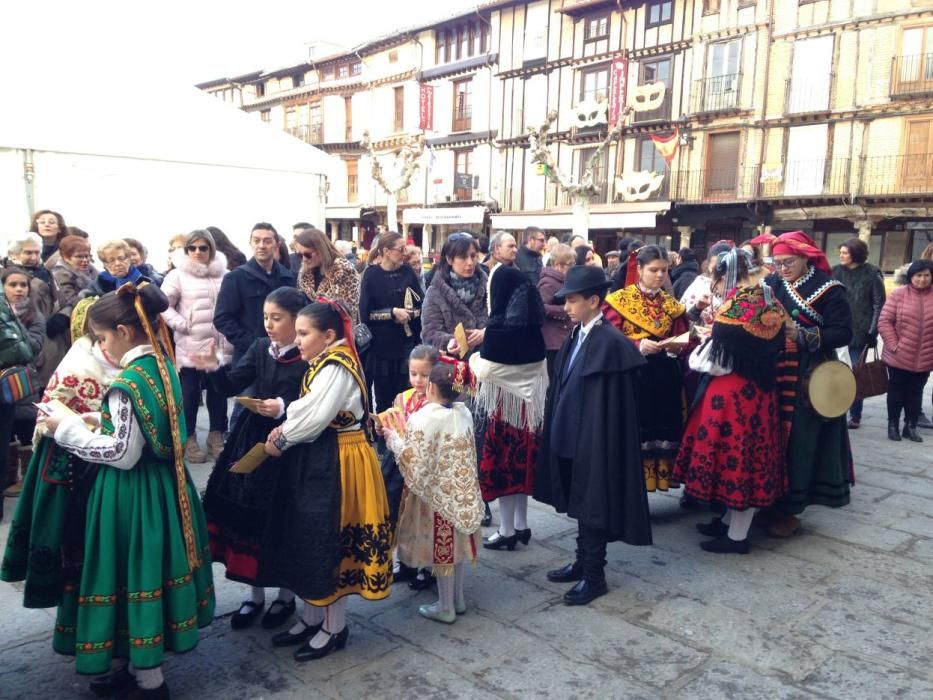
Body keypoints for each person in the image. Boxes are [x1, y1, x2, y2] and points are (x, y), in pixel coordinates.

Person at [41, 283, 215, 698]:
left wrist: (65, 429)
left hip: (131, 495)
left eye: (101, 338)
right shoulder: (163, 365)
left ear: (123, 331)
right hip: (165, 489)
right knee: (148, 573)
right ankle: (135, 668)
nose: (101, 347)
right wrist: (91, 423)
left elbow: (121, 452)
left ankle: (149, 680)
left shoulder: (127, 383)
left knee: (130, 573)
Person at [261, 301, 391, 662]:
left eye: (304, 334)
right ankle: (312, 616)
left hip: (341, 457)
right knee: (313, 534)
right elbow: (308, 410)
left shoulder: (336, 366)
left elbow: (316, 414)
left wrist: (283, 438)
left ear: (328, 336)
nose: (298, 340)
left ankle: (334, 627)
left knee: (331, 536)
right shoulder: (324, 362)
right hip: (325, 455)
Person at [192, 287, 309, 631]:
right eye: (265, 318)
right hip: (251, 435)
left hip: (288, 441)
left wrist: (283, 405)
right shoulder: (260, 347)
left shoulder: (307, 354)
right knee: (243, 517)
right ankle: (253, 595)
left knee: (281, 518)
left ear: (296, 320)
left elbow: (311, 398)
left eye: (277, 318)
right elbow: (231, 385)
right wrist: (213, 368)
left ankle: (285, 596)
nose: (269, 325)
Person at [534, 265, 651, 605]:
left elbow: (614, 405)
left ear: (593, 301)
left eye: (571, 301)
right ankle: (582, 561)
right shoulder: (578, 332)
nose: (565, 308)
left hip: (595, 441)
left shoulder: (610, 342)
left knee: (593, 503)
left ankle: (594, 575)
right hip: (572, 434)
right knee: (580, 500)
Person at [2, 298, 122, 608]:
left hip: (108, 459)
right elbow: (55, 410)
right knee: (75, 538)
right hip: (71, 464)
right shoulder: (79, 361)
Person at [672, 250, 789, 554]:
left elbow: (722, 345)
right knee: (745, 458)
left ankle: (737, 537)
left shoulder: (738, 304)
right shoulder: (769, 298)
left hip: (734, 393)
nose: (715, 282)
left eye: (717, 275)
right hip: (759, 392)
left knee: (738, 461)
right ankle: (727, 523)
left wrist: (712, 335)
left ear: (727, 274)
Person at [764, 230, 854, 538]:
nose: (782, 268)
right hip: (772, 370)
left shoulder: (829, 289)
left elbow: (843, 333)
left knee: (799, 440)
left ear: (806, 257)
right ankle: (764, 499)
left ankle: (790, 507)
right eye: (776, 263)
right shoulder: (771, 284)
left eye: (788, 262)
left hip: (808, 374)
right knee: (768, 435)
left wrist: (803, 335)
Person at [383, 357, 485, 624]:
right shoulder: (463, 412)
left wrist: (392, 438)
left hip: (439, 498)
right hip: (464, 496)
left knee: (444, 554)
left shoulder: (425, 417)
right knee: (459, 552)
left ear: (430, 388)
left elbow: (413, 459)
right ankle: (458, 600)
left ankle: (445, 607)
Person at [470, 266, 549, 551]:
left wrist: (472, 359)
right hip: (530, 413)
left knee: (504, 467)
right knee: (523, 466)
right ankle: (521, 524)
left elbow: (487, 371)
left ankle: (505, 530)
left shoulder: (498, 332)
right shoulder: (534, 330)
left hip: (505, 412)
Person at [603, 246, 692, 492]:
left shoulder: (671, 305)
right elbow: (608, 337)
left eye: (664, 270)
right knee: (634, 430)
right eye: (653, 270)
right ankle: (630, 489)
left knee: (662, 428)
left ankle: (658, 481)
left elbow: (683, 336)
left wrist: (677, 346)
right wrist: (637, 344)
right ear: (639, 269)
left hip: (664, 374)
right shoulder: (619, 301)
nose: (659, 275)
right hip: (634, 373)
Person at [160, 230, 233, 462]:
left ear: (211, 249)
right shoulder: (177, 275)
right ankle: (189, 437)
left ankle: (216, 435)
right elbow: (163, 305)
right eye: (193, 248)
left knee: (218, 393)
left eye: (203, 248)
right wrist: (182, 324)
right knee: (190, 395)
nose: (198, 252)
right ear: (186, 250)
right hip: (190, 345)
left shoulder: (226, 274)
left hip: (218, 345)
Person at [375, 344, 437, 587]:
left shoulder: (437, 400)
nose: (418, 380)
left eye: (425, 375)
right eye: (413, 374)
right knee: (402, 517)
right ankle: (407, 562)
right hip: (400, 466)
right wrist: (383, 425)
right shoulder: (403, 397)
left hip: (425, 467)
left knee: (424, 518)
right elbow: (393, 418)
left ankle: (429, 565)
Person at [214, 223, 296, 366]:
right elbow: (222, 318)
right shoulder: (235, 278)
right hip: (249, 358)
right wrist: (252, 343)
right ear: (250, 244)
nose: (261, 245)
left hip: (286, 356)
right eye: (256, 241)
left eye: (267, 241)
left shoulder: (289, 277)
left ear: (277, 245)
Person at [359, 232, 424, 412]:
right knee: (384, 400)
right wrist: (391, 313)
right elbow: (364, 313)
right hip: (381, 348)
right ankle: (383, 437)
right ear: (386, 251)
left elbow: (421, 304)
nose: (404, 253)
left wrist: (410, 314)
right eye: (400, 249)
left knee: (407, 397)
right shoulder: (371, 275)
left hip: (406, 343)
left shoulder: (407, 272)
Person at [1, 268, 46, 497]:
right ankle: (9, 478)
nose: (19, 289)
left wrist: (13, 329)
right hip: (4, 382)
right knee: (7, 435)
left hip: (23, 380)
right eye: (12, 284)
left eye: (23, 285)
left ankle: (27, 481)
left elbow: (33, 347)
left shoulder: (34, 314)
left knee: (26, 429)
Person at [832, 238, 885, 429]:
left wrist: (872, 331)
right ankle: (836, 408)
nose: (841, 256)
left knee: (855, 372)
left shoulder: (872, 274)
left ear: (855, 253)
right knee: (836, 371)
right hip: (838, 329)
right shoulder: (835, 271)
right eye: (841, 252)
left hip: (860, 331)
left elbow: (878, 304)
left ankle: (855, 414)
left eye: (845, 252)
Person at [878, 260, 933, 443]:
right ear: (911, 277)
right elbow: (885, 321)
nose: (922, 279)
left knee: (915, 392)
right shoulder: (899, 295)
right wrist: (894, 345)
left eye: (926, 275)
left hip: (925, 356)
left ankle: (910, 426)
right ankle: (892, 425)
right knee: (896, 391)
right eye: (918, 275)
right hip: (899, 355)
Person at [421, 233, 489, 356]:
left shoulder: (489, 286)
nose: (470, 262)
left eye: (473, 256)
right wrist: (449, 342)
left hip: (485, 363)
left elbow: (502, 322)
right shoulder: (436, 292)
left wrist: (486, 333)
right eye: (463, 257)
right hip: (453, 367)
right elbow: (430, 333)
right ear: (449, 259)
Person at [294, 227, 361, 324]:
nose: (304, 259)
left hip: (337, 332)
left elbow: (347, 311)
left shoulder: (344, 270)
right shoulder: (304, 273)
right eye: (300, 255)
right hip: (310, 330)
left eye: (307, 254)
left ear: (320, 250)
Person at [538, 244, 575, 379]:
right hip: (552, 342)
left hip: (560, 338)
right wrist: (566, 309)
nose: (573, 268)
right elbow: (540, 307)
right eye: (570, 265)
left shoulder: (561, 280)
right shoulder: (549, 282)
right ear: (558, 265)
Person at [50, 235, 95, 330]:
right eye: (79, 256)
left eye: (86, 256)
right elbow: (71, 300)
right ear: (66, 258)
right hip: (71, 320)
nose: (85, 260)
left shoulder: (91, 269)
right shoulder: (60, 273)